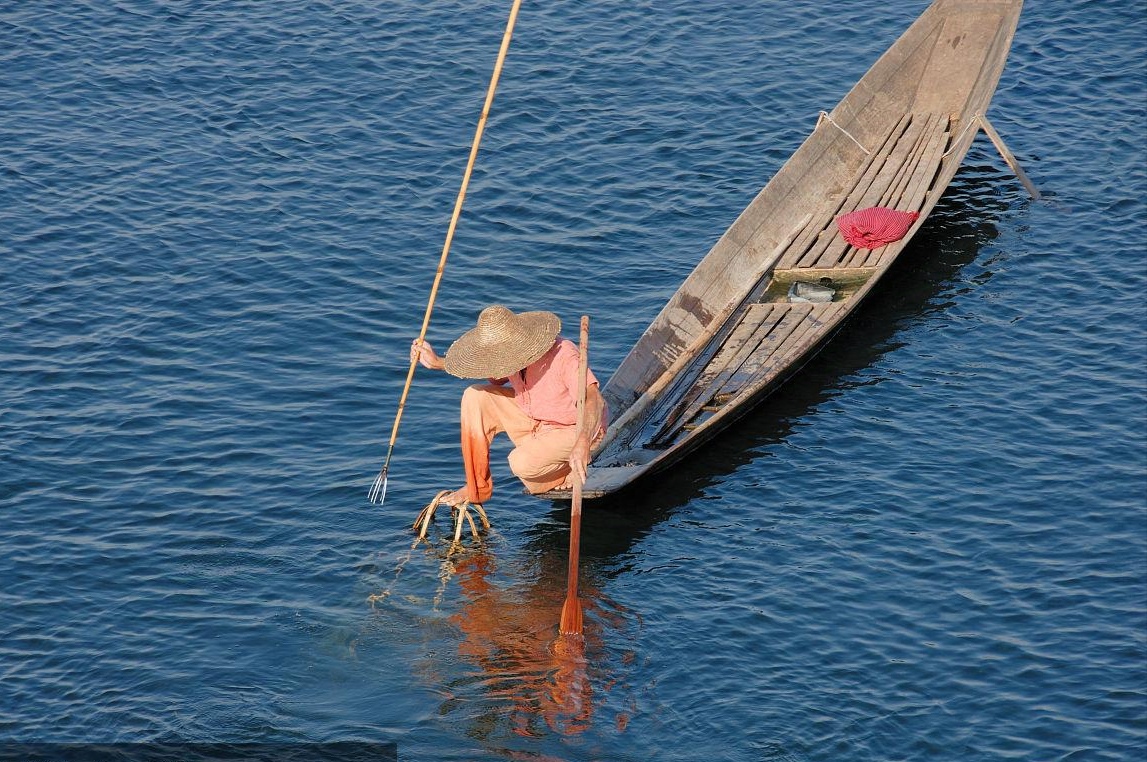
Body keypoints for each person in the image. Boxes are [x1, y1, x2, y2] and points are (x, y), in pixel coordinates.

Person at [411, 304, 607, 507]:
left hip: (574, 430)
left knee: (519, 463)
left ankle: (562, 472)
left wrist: (583, 441)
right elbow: (494, 377)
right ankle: (476, 486)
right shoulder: (508, 358)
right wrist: (437, 363)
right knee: (474, 396)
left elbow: (595, 400)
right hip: (535, 420)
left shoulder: (564, 355)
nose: (500, 362)